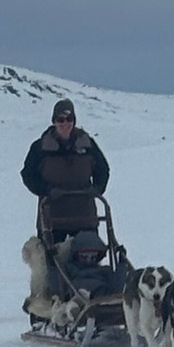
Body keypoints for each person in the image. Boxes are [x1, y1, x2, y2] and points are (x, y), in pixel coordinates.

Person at [20, 98, 110, 244]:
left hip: (85, 218)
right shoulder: (41, 148)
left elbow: (102, 169)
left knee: (89, 259)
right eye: (61, 119)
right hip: (52, 220)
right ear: (54, 121)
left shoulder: (87, 144)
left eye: (69, 119)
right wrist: (47, 190)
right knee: (53, 264)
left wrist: (97, 188)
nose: (65, 123)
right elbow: (28, 174)